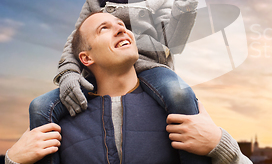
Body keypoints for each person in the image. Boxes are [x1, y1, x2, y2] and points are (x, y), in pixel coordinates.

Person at [29, 0, 203, 163]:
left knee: (179, 93)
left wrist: (184, 8)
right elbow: (76, 40)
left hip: (150, 65)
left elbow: (173, 40)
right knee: (40, 106)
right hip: (101, 66)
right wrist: (69, 73)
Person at [5, 12, 252, 164]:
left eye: (121, 24)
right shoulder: (57, 125)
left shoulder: (180, 112)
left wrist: (221, 147)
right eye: (104, 28)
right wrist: (12, 161)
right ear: (86, 58)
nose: (121, 28)